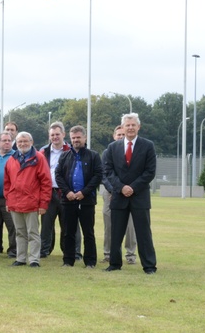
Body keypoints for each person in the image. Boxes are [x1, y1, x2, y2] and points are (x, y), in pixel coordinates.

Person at [103, 113, 158, 274]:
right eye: (127, 125)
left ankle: (149, 266)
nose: (130, 128)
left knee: (143, 233)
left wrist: (132, 187)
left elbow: (150, 172)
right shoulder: (113, 148)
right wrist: (121, 188)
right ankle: (114, 264)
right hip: (119, 196)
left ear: (138, 127)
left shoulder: (148, 146)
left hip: (139, 196)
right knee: (116, 232)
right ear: (123, 127)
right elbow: (108, 171)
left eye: (133, 125)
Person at [55, 125, 103, 268]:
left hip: (86, 200)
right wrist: (67, 192)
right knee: (68, 232)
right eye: (73, 138)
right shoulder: (64, 156)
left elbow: (98, 175)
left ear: (84, 138)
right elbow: (58, 175)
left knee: (88, 232)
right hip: (68, 199)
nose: (76, 140)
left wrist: (84, 192)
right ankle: (68, 260)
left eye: (78, 137)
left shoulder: (93, 155)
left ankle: (90, 261)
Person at [4, 132, 52, 268]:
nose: (22, 144)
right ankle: (21, 258)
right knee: (19, 232)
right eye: (20, 142)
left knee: (33, 233)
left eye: (25, 141)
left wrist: (43, 203)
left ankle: (34, 259)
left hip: (31, 202)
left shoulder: (39, 158)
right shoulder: (12, 159)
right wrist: (8, 199)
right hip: (15, 202)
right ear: (16, 143)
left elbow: (46, 182)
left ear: (31, 142)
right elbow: (7, 182)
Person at [102, 125, 137, 264]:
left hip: (128, 191)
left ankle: (130, 255)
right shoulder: (108, 151)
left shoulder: (133, 151)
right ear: (114, 136)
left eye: (123, 134)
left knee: (130, 225)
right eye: (119, 135)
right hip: (110, 191)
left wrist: (125, 189)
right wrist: (113, 190)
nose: (121, 137)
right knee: (109, 224)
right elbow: (104, 174)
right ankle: (108, 254)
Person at [39, 121, 69, 259]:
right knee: (46, 225)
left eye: (58, 134)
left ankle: (71, 251)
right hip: (48, 192)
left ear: (63, 134)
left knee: (68, 224)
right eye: (52, 135)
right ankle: (44, 251)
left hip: (66, 193)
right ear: (49, 136)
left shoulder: (70, 150)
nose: (55, 137)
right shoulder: (43, 152)